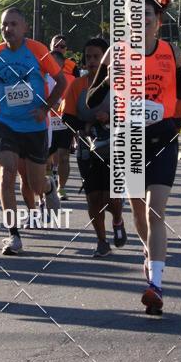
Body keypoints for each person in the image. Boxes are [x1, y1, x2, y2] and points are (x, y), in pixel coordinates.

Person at [87, 0, 181, 314]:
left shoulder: (170, 50)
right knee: (139, 212)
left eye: (147, 17)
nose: (140, 22)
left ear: (158, 21)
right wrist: (110, 79)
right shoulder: (116, 53)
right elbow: (90, 100)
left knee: (155, 210)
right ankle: (148, 252)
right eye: (133, 17)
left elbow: (180, 91)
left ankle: (155, 284)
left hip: (164, 139)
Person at [0, 7, 66, 256]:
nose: (8, 29)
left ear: (24, 28)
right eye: (4, 25)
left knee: (34, 184)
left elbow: (62, 82)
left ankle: (48, 187)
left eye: (13, 24)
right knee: (6, 175)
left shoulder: (38, 51)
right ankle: (13, 235)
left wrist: (45, 108)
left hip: (34, 126)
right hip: (7, 124)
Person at [62, 38, 127, 256]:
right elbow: (67, 117)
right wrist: (86, 125)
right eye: (88, 57)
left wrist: (110, 118)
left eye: (96, 57)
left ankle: (117, 220)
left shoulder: (120, 84)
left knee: (110, 197)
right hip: (86, 149)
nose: (91, 62)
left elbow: (133, 113)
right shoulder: (77, 85)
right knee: (93, 198)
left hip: (116, 147)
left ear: (107, 60)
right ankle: (101, 241)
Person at [46, 50, 75, 200]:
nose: (54, 65)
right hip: (47, 122)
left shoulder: (71, 80)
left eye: (57, 62)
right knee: (46, 157)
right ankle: (48, 180)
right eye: (51, 62)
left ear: (63, 64)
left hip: (64, 123)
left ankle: (61, 188)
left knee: (64, 157)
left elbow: (75, 100)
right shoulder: (42, 79)